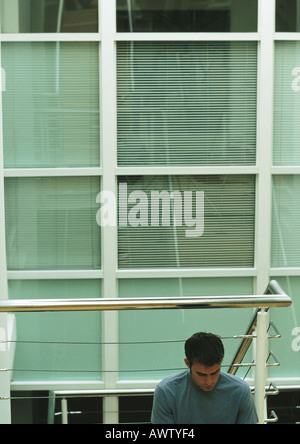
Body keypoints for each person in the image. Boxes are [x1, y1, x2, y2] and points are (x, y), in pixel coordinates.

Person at [151, 332, 258, 424]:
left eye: (215, 373)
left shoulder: (240, 391)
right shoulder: (166, 391)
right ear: (188, 363)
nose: (209, 381)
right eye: (201, 374)